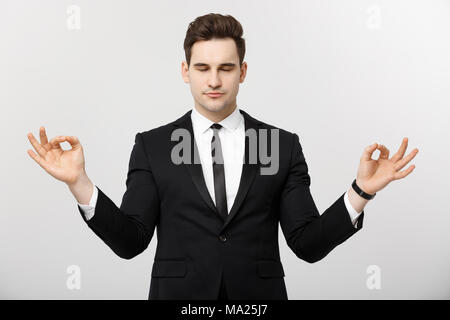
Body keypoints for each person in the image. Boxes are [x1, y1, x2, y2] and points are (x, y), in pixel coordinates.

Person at [26, 13, 419, 300]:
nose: (214, 81)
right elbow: (130, 241)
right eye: (203, 68)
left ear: (242, 72)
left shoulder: (280, 145)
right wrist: (79, 183)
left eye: (226, 68)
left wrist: (361, 191)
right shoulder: (153, 145)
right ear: (186, 71)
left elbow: (308, 244)